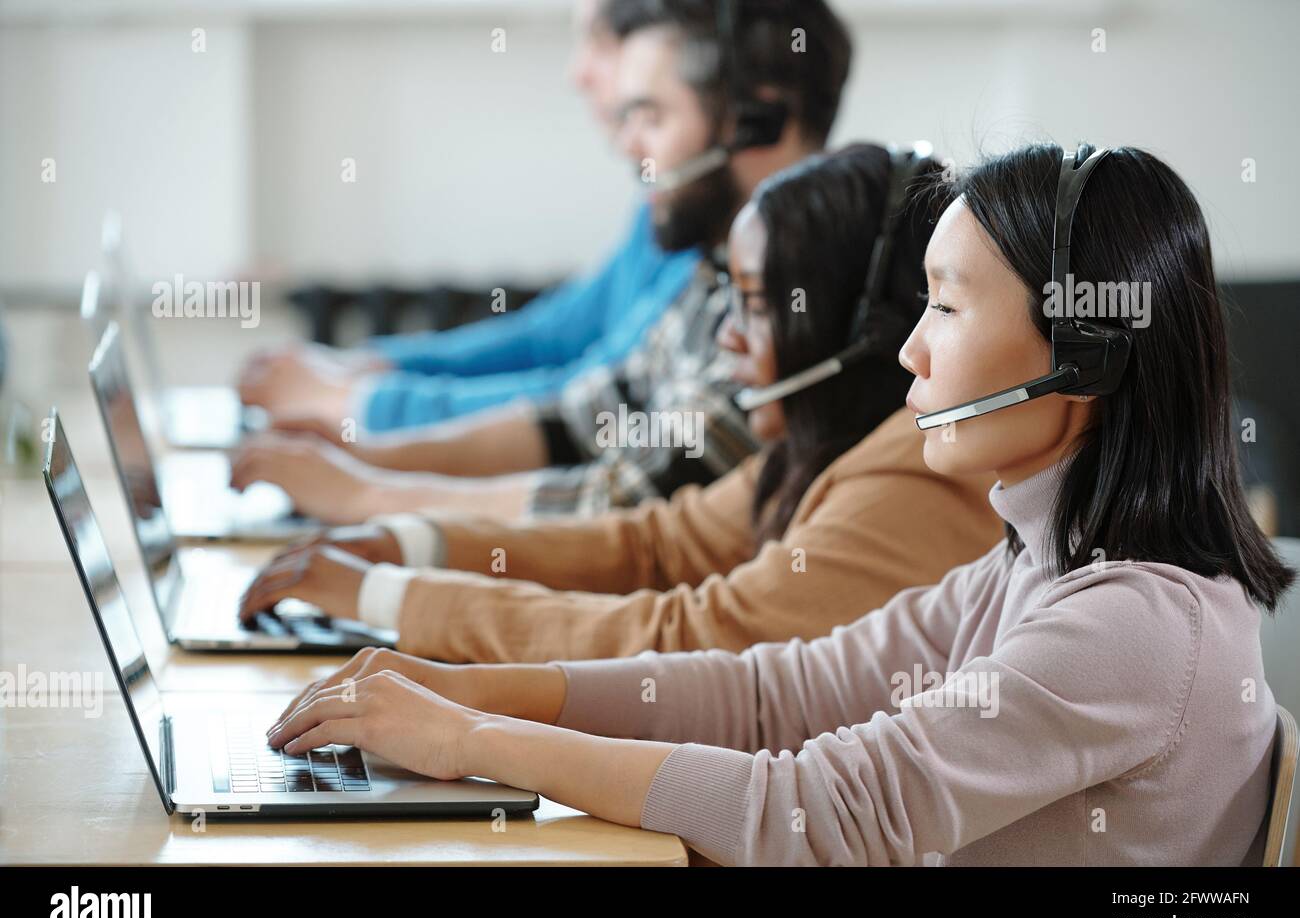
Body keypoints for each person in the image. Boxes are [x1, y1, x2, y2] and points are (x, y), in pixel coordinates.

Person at [262, 142, 1294, 866]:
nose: (910, 348)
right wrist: (470, 690)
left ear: (1083, 353)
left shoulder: (1128, 623)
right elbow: (774, 694)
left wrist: (471, 740)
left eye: (947, 305)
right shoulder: (1030, 559)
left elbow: (813, 811)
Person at [237, 144, 1005, 661]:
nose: (726, 338)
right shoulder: (819, 449)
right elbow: (656, 545)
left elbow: (696, 632)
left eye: (755, 307)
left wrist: (390, 596)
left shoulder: (908, 475)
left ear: (861, 332)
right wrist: (407, 544)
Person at [230, 0, 855, 523]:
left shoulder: (790, 294)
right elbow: (583, 412)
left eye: (652, 117)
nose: (625, 143)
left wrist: (368, 490)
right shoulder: (714, 270)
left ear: (758, 118)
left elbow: (629, 502)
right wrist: (370, 456)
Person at [237, 0, 700, 433]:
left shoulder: (705, 213)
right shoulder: (660, 203)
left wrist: (361, 404)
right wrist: (373, 366)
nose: (576, 74)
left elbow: (597, 399)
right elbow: (549, 339)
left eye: (598, 42)